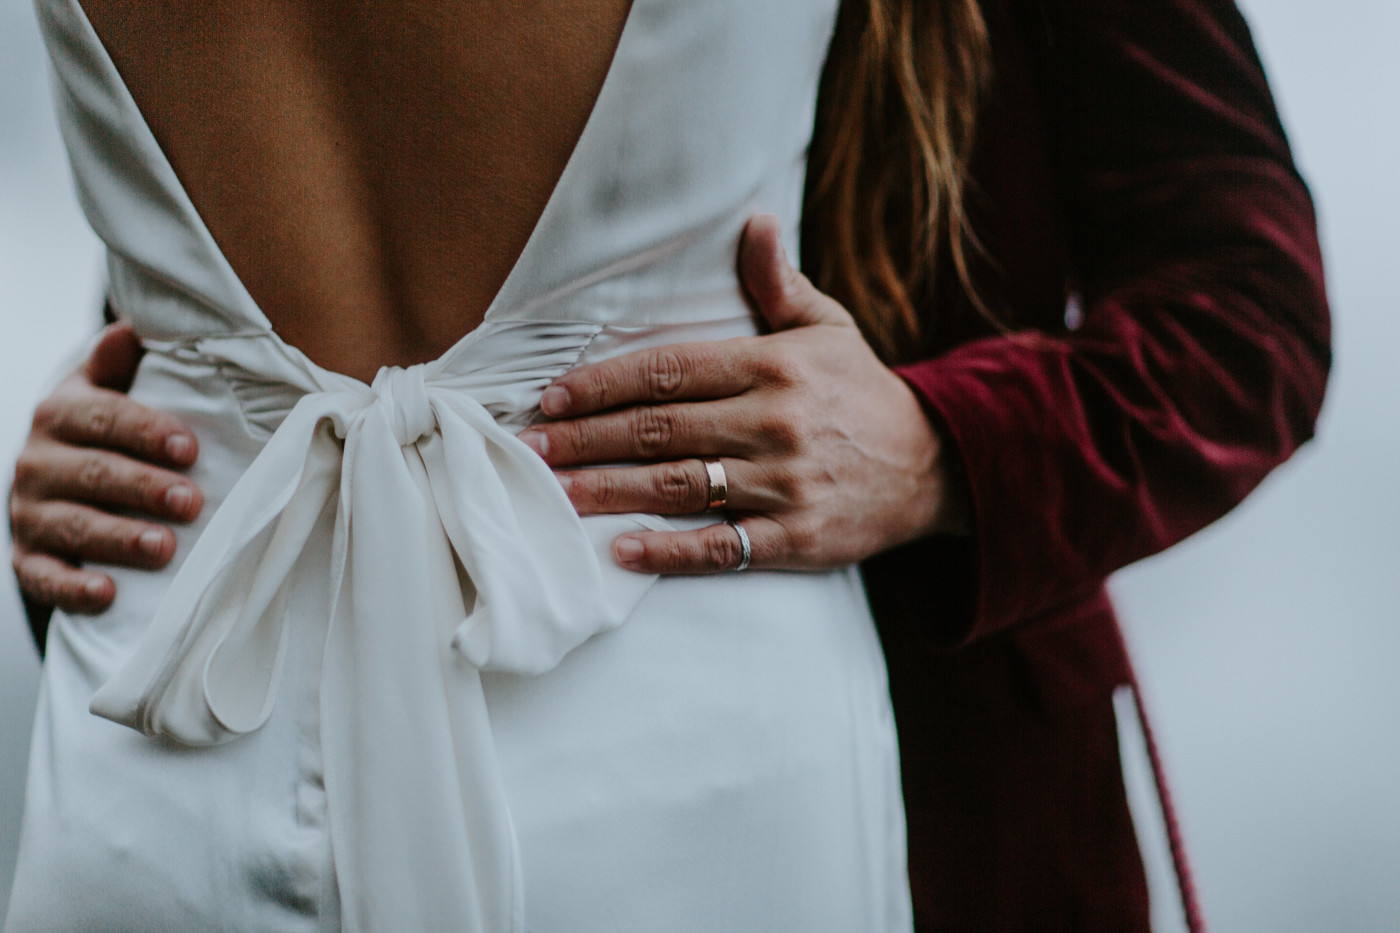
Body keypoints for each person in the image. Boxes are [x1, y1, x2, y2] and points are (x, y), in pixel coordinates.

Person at [6, 0, 1329, 931]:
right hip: (671, 736)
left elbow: (1253, 307)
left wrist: (937, 447)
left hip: (945, 758)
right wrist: (145, 437)